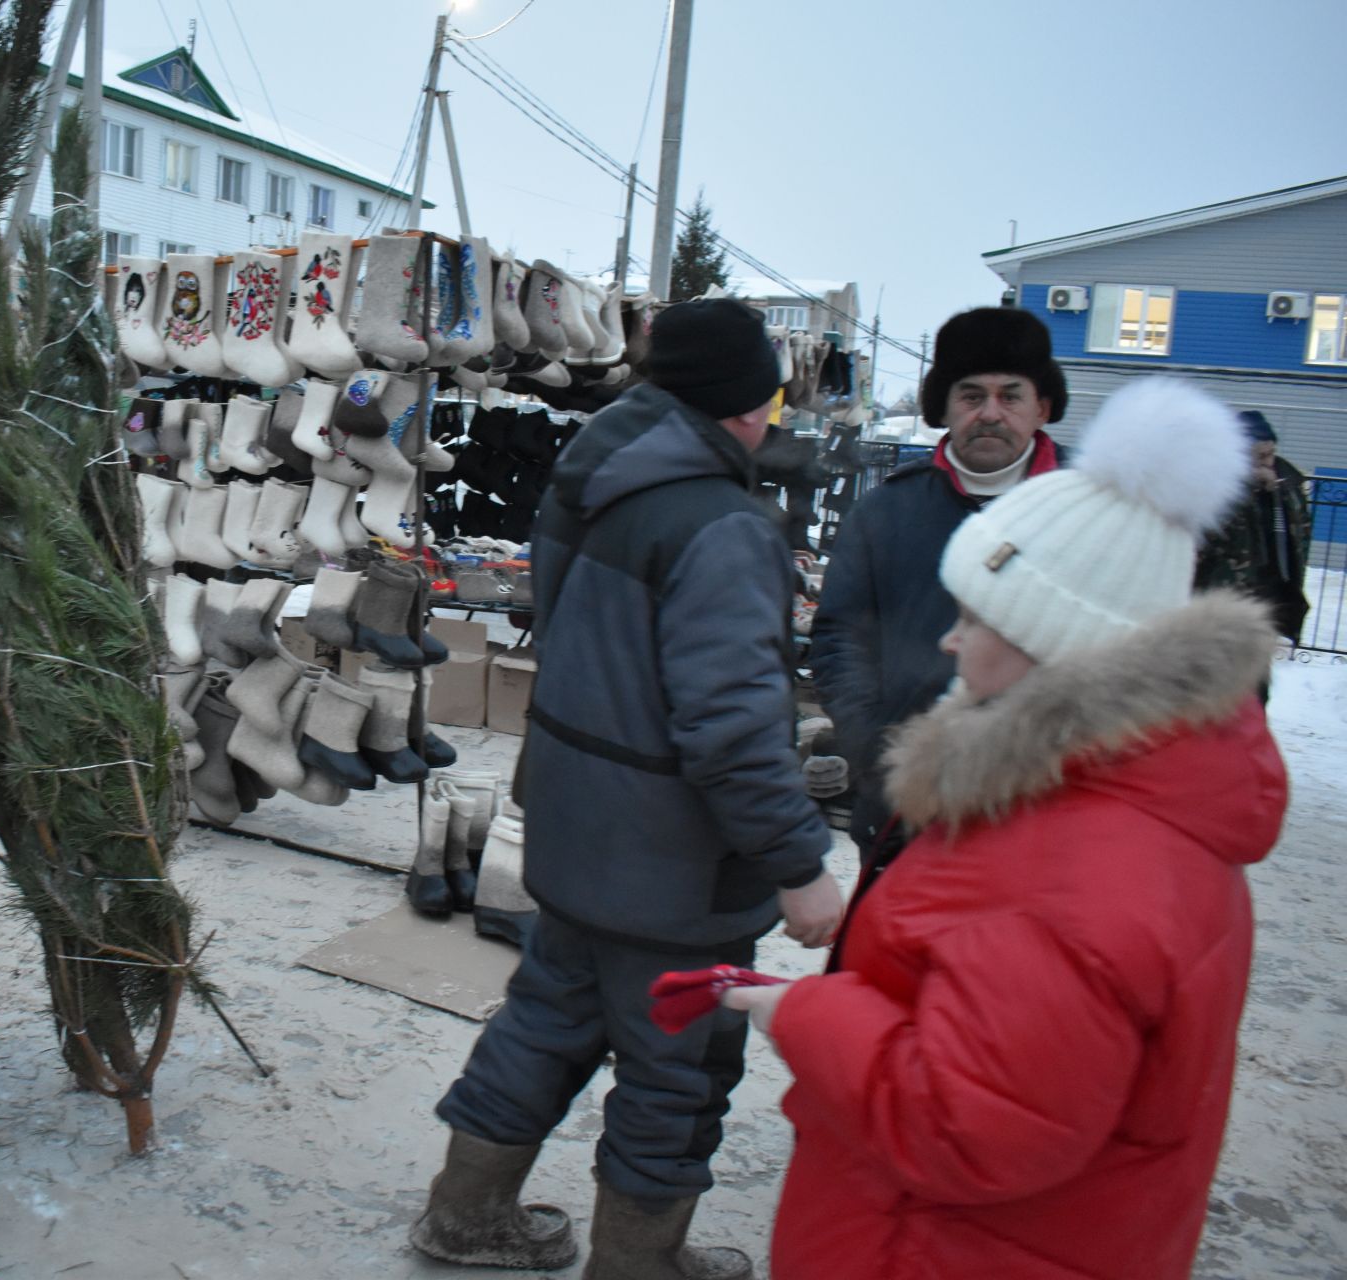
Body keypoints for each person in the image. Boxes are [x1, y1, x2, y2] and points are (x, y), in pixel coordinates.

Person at [722, 377, 1287, 1280]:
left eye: (975, 616)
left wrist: (807, 1012)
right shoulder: (1089, 799)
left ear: (1055, 640)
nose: (948, 641)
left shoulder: (1073, 871)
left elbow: (970, 1128)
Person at [408, 299, 844, 1280]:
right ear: (743, 404)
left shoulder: (591, 475)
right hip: (675, 868)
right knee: (677, 1071)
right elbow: (729, 727)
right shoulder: (725, 527)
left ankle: (464, 1213)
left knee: (547, 1019)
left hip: (571, 825)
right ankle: (638, 1262)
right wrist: (798, 862)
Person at [809, 307, 1066, 863]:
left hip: (1053, 815)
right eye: (971, 395)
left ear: (1042, 406)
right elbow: (838, 640)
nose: (990, 413)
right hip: (906, 811)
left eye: (1010, 395)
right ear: (944, 406)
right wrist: (880, 754)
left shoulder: (1090, 511)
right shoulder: (887, 511)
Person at [1195, 409, 1310, 647]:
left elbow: (1299, 540)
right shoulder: (1217, 489)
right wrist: (1247, 485)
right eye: (1259, 455)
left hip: (1271, 594)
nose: (1268, 462)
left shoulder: (1288, 486)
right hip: (1222, 597)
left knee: (1254, 673)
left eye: (1271, 453)